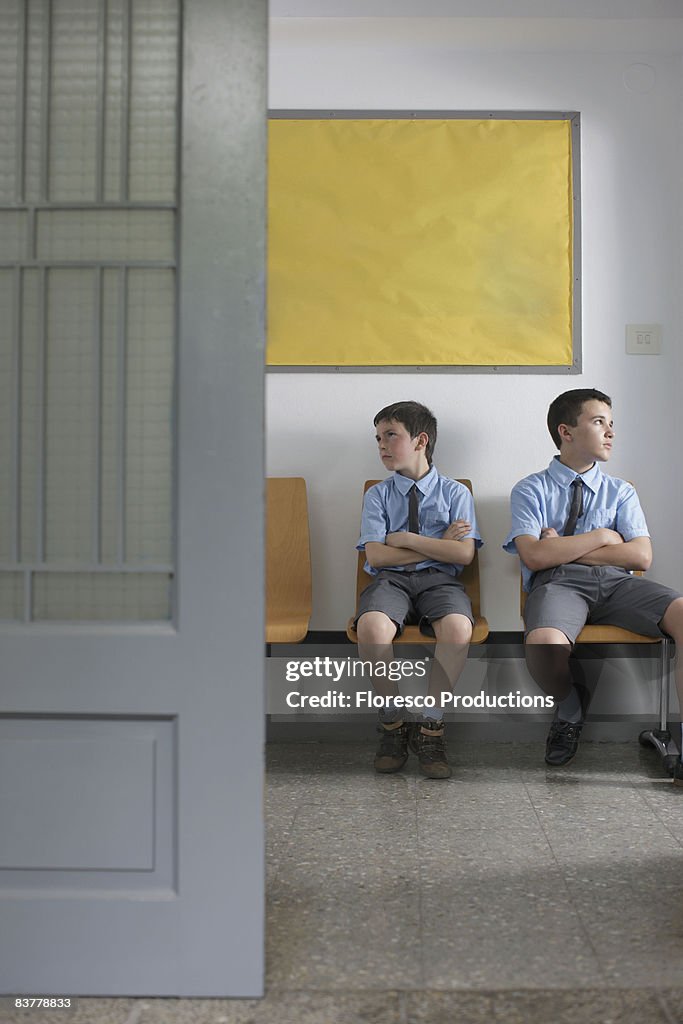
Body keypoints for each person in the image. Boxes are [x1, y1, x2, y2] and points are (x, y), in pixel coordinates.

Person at [504, 388, 683, 784]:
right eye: (599, 422)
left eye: (611, 423)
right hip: (558, 585)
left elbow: (640, 557)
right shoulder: (530, 489)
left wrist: (563, 548)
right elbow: (533, 557)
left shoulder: (621, 491)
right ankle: (570, 707)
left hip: (618, 585)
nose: (610, 432)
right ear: (566, 431)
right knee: (544, 646)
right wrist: (604, 537)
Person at [354, 400, 482, 779]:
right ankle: (393, 723)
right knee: (371, 627)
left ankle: (431, 726)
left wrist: (407, 539)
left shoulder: (456, 493)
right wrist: (438, 543)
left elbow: (463, 554)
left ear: (420, 441)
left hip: (440, 582)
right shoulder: (377, 495)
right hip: (390, 582)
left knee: (457, 628)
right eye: (378, 438)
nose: (382, 445)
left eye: (390, 435)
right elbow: (377, 555)